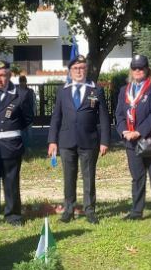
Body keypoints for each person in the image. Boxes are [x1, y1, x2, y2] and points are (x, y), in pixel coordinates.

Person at [47, 54, 110, 224]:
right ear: (70, 71)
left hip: (89, 141)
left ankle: (90, 210)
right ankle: (69, 210)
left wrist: (105, 141)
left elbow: (104, 117)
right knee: (69, 177)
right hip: (66, 141)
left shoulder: (96, 90)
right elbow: (56, 118)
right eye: (75, 68)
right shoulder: (63, 91)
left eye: (82, 68)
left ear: (86, 69)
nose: (79, 71)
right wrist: (52, 141)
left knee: (88, 177)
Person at [115, 54, 151, 224]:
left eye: (141, 68)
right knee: (137, 178)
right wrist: (124, 131)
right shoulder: (124, 90)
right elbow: (119, 114)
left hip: (150, 141)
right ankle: (136, 211)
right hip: (130, 141)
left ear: (147, 70)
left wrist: (138, 132)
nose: (138, 71)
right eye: (135, 68)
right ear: (131, 70)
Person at [0, 61, 35, 226]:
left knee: (11, 182)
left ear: (9, 75)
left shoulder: (21, 94)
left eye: (3, 75)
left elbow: (27, 119)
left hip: (10, 144)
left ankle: (13, 215)